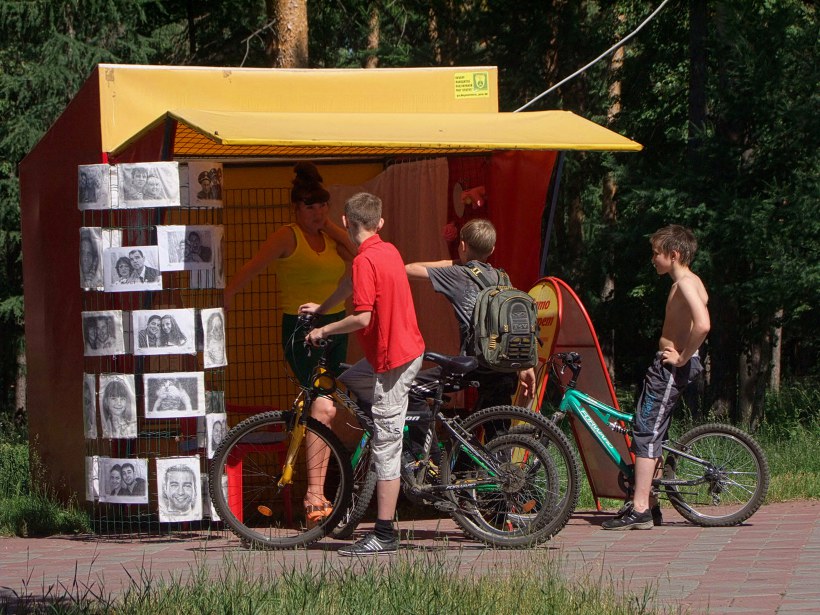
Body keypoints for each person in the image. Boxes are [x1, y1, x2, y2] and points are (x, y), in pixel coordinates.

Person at [223, 162, 356, 522]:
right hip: (302, 328)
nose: (317, 213)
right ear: (295, 208)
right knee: (323, 406)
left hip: (335, 327)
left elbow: (361, 257)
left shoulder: (331, 237)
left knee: (325, 407)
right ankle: (314, 495)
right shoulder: (287, 235)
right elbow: (253, 265)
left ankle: (318, 490)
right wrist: (229, 293)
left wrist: (330, 226)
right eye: (310, 207)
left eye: (323, 206)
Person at [303, 192, 425, 556]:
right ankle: (391, 422)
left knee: (386, 445)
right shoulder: (386, 251)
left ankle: (385, 533)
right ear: (380, 223)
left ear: (345, 221)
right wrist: (322, 310)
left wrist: (324, 330)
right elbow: (348, 286)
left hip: (392, 359)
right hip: (401, 351)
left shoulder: (365, 260)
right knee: (349, 382)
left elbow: (363, 318)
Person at [602, 224, 710, 530]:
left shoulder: (685, 283)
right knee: (654, 432)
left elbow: (703, 324)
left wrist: (682, 357)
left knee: (646, 432)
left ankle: (640, 509)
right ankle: (650, 503)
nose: (652, 260)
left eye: (655, 254)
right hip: (669, 366)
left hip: (670, 368)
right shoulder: (690, 281)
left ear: (673, 254)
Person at [404, 219, 536, 428]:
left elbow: (409, 269)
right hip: (504, 366)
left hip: (475, 366)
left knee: (411, 389)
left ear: (463, 246)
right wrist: (524, 366)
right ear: (492, 250)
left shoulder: (457, 274)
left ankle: (428, 449)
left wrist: (456, 262)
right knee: (498, 436)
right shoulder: (503, 278)